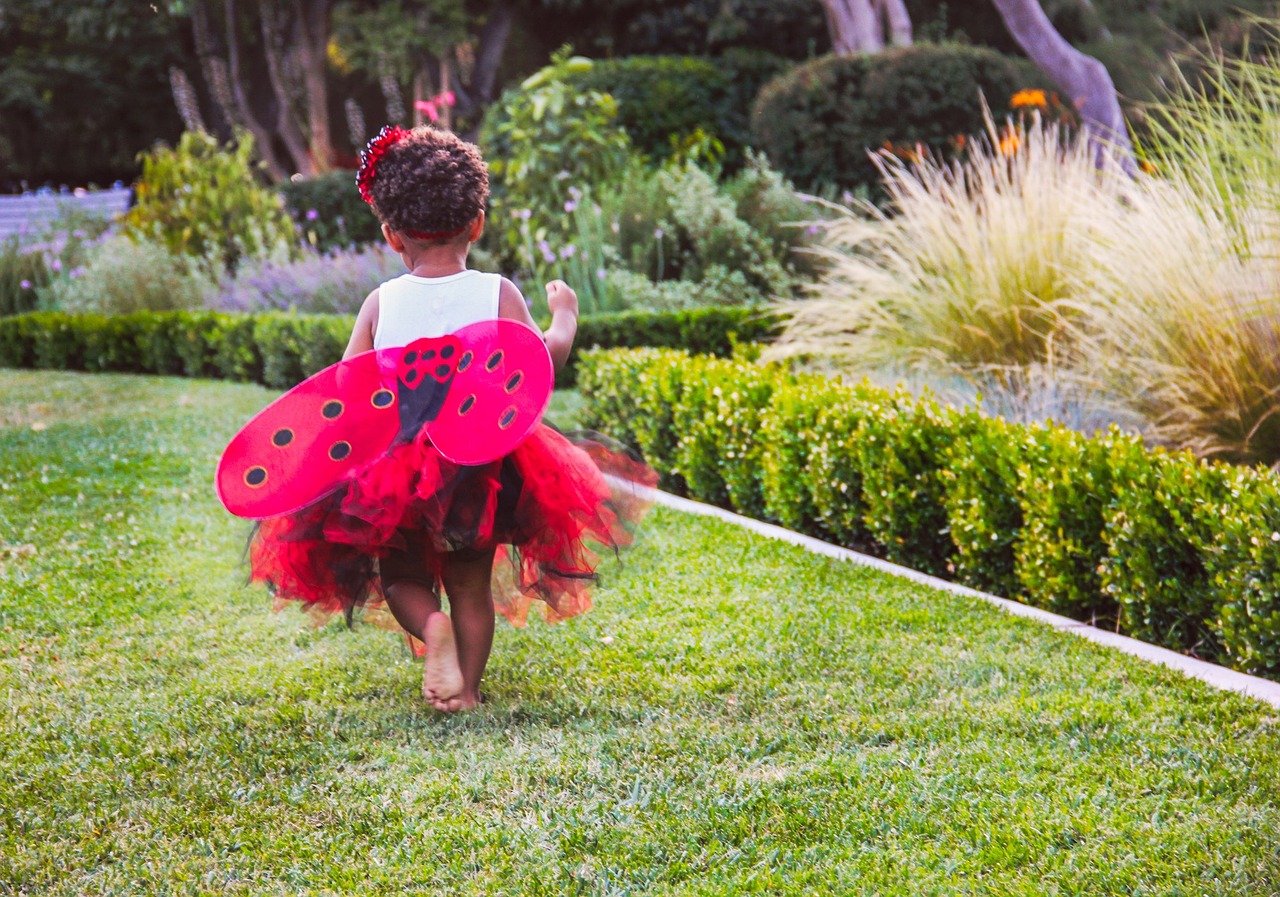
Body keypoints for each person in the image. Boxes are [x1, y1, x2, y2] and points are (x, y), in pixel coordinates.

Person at [247, 125, 654, 712]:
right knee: (470, 581)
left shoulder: (381, 302)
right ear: (477, 223)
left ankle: (429, 627)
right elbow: (541, 358)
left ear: (391, 236)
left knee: (402, 578)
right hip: (479, 461)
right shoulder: (496, 292)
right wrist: (564, 314)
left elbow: (345, 386)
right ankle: (468, 687)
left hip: (394, 468)